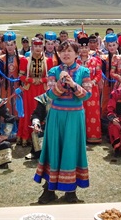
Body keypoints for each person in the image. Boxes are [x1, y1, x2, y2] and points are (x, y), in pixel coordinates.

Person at [34, 40, 91, 204]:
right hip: (57, 116)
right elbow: (50, 96)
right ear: (58, 54)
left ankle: (71, 191)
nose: (66, 54)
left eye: (69, 51)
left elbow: (87, 95)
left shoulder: (84, 71)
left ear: (76, 53)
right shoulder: (53, 71)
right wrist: (60, 82)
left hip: (75, 117)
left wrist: (73, 84)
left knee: (71, 151)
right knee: (54, 149)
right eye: (63, 51)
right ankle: (49, 189)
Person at [18, 37, 54, 147]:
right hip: (29, 89)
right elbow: (21, 76)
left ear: (42, 47)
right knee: (28, 111)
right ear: (32, 47)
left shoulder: (48, 61)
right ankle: (26, 136)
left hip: (42, 89)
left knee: (42, 111)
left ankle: (42, 136)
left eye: (39, 46)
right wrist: (32, 80)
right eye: (35, 46)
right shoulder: (25, 60)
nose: (37, 48)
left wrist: (41, 80)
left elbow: (51, 77)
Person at [76, 31, 103, 143]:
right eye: (81, 48)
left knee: (92, 112)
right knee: (78, 112)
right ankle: (79, 137)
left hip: (92, 90)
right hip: (78, 90)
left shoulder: (95, 60)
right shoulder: (75, 61)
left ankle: (93, 136)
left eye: (86, 47)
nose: (84, 50)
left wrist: (93, 82)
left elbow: (99, 74)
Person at [0, 31, 21, 142]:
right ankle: (6, 133)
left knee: (17, 108)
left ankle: (18, 132)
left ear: (15, 45)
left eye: (12, 44)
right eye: (7, 44)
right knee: (6, 108)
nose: (9, 47)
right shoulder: (0, 59)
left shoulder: (22, 58)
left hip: (17, 89)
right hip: (4, 88)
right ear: (4, 45)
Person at [28, 93, 51, 160]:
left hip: (65, 127)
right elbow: (37, 114)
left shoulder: (69, 97)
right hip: (48, 126)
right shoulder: (45, 98)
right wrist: (35, 124)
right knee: (37, 134)